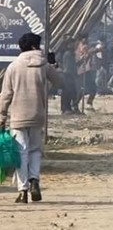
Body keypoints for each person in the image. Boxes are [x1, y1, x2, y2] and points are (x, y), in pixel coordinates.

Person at [0, 33, 64, 203]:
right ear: (35, 47)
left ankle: (23, 191)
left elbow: (6, 95)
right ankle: (34, 180)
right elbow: (60, 82)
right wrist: (53, 67)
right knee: (35, 150)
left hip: (18, 116)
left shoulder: (13, 67)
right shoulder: (44, 66)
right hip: (38, 114)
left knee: (22, 152)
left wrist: (2, 116)